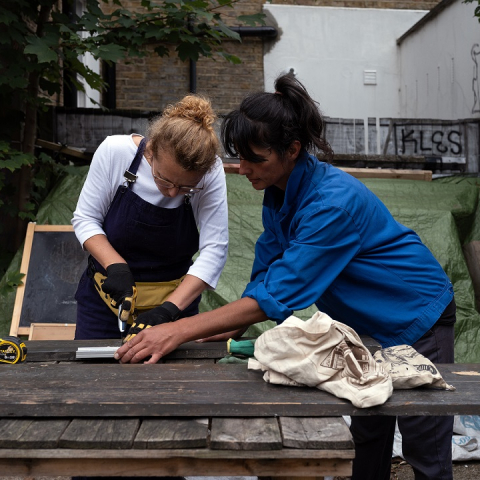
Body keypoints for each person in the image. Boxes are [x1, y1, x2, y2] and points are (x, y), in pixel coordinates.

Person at [114, 74, 456, 480]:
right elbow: (266, 270)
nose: (242, 169)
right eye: (239, 157)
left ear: (292, 150)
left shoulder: (332, 204)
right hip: (362, 326)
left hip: (416, 317)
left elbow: (279, 293)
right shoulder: (280, 192)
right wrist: (223, 328)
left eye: (254, 158)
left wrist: (179, 329)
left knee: (424, 449)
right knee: (368, 429)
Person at [72, 94, 228, 341]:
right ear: (150, 151)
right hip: (105, 302)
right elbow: (85, 218)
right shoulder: (115, 152)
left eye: (186, 188)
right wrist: (115, 265)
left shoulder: (211, 170)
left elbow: (215, 249)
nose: (173, 193)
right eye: (164, 180)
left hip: (175, 305)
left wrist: (168, 310)